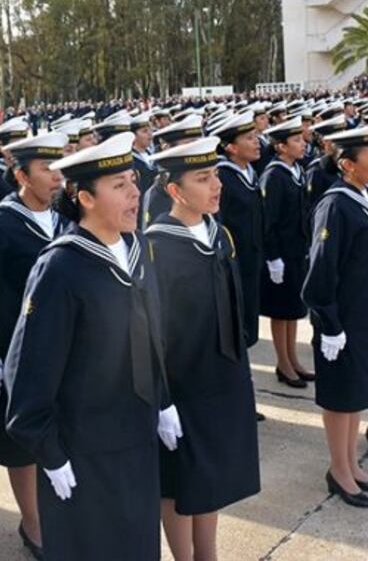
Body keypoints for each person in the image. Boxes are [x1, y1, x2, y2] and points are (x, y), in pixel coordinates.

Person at [4, 131, 180, 560]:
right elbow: (29, 367)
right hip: (83, 449)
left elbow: (149, 336)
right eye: (119, 186)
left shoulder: (134, 248)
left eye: (134, 182)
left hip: (135, 435)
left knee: (137, 545)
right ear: (85, 197)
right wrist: (49, 453)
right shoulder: (62, 267)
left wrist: (162, 401)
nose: (134, 194)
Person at [145, 136, 260, 561]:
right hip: (181, 385)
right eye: (202, 178)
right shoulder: (156, 246)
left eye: (214, 175)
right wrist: (161, 399)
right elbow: (150, 333)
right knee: (179, 481)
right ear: (175, 191)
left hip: (221, 378)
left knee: (211, 475)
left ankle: (206, 554)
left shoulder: (218, 234)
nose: (216, 186)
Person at [0, 131, 69, 559]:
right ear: (20, 175)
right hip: (16, 351)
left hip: (64, 350)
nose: (57, 176)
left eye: (59, 166)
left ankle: (59, 515)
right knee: (22, 447)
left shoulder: (66, 215)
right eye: (46, 169)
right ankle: (33, 525)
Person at [303, 124, 368, 509]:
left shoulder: (366, 197)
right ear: (347, 164)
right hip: (342, 322)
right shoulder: (336, 204)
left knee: (358, 394)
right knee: (341, 399)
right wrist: (329, 324)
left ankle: (352, 462)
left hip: (366, 315)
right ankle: (338, 469)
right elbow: (322, 269)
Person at [259, 117, 313, 388]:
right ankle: (283, 363)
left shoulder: (297, 170)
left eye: (302, 139)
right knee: (281, 312)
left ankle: (293, 359)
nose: (302, 144)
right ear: (280, 147)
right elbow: (269, 221)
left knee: (293, 309)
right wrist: (273, 257)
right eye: (296, 140)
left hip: (296, 251)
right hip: (281, 254)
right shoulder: (274, 175)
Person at [213, 111, 264, 352]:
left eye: (256, 137)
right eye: (250, 138)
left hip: (251, 259)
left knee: (250, 321)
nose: (257, 143)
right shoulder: (223, 178)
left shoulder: (248, 174)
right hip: (235, 262)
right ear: (231, 147)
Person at [141, 114, 204, 230]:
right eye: (189, 144)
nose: (196, 150)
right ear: (166, 148)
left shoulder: (205, 183)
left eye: (198, 144)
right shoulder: (159, 193)